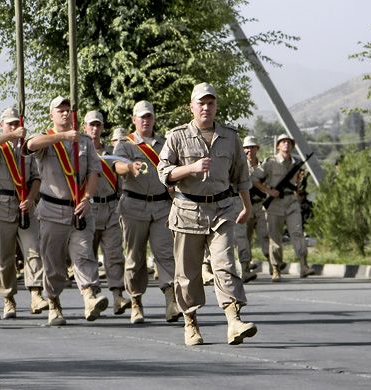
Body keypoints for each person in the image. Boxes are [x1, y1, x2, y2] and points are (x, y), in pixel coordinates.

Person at [157, 82, 257, 346]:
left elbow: (241, 176)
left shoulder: (230, 137)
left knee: (225, 264)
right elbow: (164, 173)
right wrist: (190, 168)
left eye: (210, 103)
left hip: (222, 210)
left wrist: (247, 206)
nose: (206, 107)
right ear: (192, 107)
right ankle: (190, 322)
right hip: (187, 211)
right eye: (201, 103)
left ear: (216, 106)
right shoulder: (177, 136)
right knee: (188, 274)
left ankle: (233, 321)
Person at [25, 96, 108, 326]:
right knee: (54, 265)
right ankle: (53, 302)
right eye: (59, 110)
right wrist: (62, 137)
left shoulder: (84, 141)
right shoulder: (46, 139)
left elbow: (94, 171)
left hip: (79, 210)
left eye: (67, 110)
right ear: (51, 114)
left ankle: (90, 295)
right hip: (52, 210)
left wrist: (88, 197)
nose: (64, 114)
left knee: (84, 255)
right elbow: (30, 145)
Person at [113, 100, 180, 324]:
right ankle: (135, 301)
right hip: (133, 206)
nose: (145, 120)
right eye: (141, 116)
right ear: (134, 120)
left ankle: (171, 300)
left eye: (149, 116)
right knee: (134, 257)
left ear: (154, 119)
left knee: (166, 254)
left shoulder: (166, 143)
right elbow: (117, 166)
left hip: (161, 206)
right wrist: (130, 167)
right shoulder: (126, 144)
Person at [0, 107, 48, 318]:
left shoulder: (26, 149)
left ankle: (36, 294)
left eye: (16, 123)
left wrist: (31, 197)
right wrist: (11, 136)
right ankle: (8, 298)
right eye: (9, 123)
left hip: (26, 204)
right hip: (3, 205)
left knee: (33, 250)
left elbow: (36, 177)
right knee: (5, 257)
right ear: (2, 126)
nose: (14, 126)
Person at [83, 110, 131, 315]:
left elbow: (119, 174)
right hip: (89, 207)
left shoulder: (111, 153)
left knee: (114, 253)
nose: (95, 129)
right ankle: (92, 297)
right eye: (91, 125)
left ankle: (118, 295)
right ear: (84, 127)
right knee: (87, 255)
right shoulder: (80, 152)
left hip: (111, 207)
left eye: (98, 125)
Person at [251, 134, 315, 281]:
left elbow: (298, 184)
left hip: (291, 202)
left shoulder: (296, 163)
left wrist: (298, 187)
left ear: (292, 146)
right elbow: (254, 179)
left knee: (297, 232)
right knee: (275, 239)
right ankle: (276, 268)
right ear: (278, 146)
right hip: (274, 204)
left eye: (289, 142)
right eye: (283, 142)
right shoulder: (270, 162)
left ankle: (304, 265)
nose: (286, 144)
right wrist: (268, 191)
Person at [241, 136, 269, 270]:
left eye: (252, 147)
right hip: (245, 205)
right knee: (245, 237)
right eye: (246, 147)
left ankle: (273, 264)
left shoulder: (263, 166)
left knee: (265, 234)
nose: (249, 150)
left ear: (257, 148)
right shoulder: (240, 166)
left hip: (261, 205)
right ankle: (246, 265)